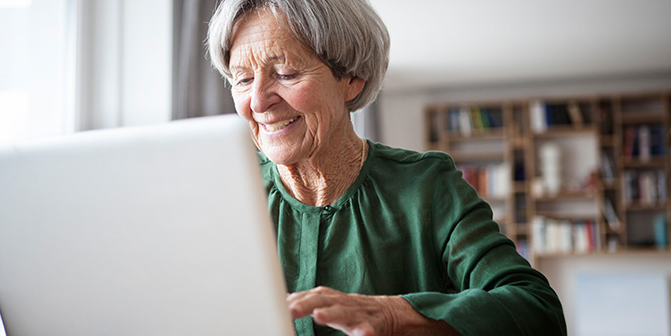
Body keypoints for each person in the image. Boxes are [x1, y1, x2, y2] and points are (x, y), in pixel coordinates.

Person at [207, 0, 567, 335]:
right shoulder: (224, 192)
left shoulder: (427, 186)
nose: (258, 101)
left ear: (352, 79)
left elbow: (537, 310)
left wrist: (396, 315)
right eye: (243, 79)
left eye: (285, 73)